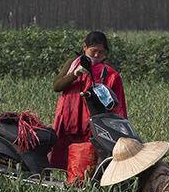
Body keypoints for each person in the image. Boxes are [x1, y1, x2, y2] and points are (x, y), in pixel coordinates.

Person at [50, 30, 126, 172]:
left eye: (101, 52)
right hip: (69, 119)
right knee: (67, 156)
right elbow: (57, 86)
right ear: (84, 47)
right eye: (93, 51)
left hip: (93, 123)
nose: (97, 55)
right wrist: (75, 74)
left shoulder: (110, 74)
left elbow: (118, 105)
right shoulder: (72, 64)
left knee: (89, 158)